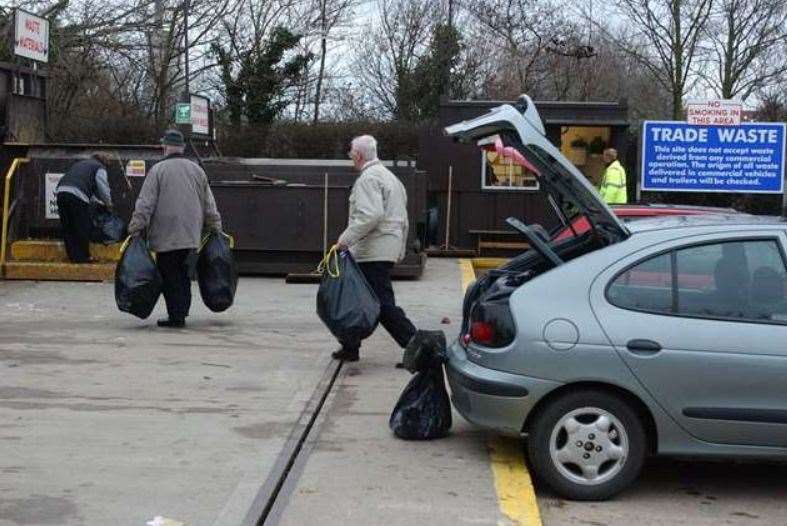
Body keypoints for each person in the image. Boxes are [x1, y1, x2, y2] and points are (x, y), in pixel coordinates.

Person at [333, 135, 417, 364]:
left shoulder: (368, 179)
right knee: (357, 300)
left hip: (372, 250)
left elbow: (370, 215)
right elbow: (403, 218)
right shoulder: (391, 179)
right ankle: (350, 346)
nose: (350, 157)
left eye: (351, 153)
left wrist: (345, 240)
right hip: (385, 247)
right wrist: (399, 248)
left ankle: (418, 347)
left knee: (381, 305)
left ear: (358, 155)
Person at [127, 129, 222, 328]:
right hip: (190, 233)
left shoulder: (158, 170)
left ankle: (176, 315)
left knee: (170, 273)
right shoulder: (197, 170)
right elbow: (209, 203)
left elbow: (145, 203)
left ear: (165, 147)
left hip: (166, 233)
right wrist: (215, 226)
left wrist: (135, 228)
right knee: (182, 271)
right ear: (183, 148)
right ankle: (181, 311)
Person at [55, 152, 114, 262]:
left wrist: (97, 202)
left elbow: (82, 186)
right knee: (81, 226)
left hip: (61, 192)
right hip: (77, 195)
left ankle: (73, 257)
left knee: (68, 227)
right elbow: (103, 187)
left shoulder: (80, 164)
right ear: (104, 162)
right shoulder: (99, 167)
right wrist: (108, 203)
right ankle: (84, 257)